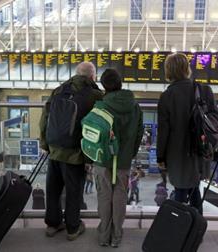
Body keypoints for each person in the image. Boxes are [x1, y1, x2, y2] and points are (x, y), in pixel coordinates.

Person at [39, 61, 103, 241]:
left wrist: (45, 144)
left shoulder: (59, 90)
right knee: (73, 192)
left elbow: (45, 118)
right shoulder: (95, 95)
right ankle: (72, 228)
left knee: (53, 189)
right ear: (92, 76)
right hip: (75, 153)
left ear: (76, 74)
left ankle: (52, 224)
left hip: (54, 149)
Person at [156, 53, 217, 215]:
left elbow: (163, 131)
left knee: (181, 192)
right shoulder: (204, 90)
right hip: (201, 150)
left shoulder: (167, 96)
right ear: (187, 68)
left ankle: (180, 231)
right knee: (194, 189)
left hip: (178, 153)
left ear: (168, 71)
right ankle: (195, 229)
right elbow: (214, 120)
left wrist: (160, 157)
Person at [92, 69, 143, 247]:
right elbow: (139, 134)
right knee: (120, 195)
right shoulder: (134, 106)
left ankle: (104, 235)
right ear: (120, 82)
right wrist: (130, 153)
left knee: (105, 195)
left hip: (102, 158)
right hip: (123, 160)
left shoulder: (100, 105)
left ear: (104, 85)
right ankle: (117, 236)